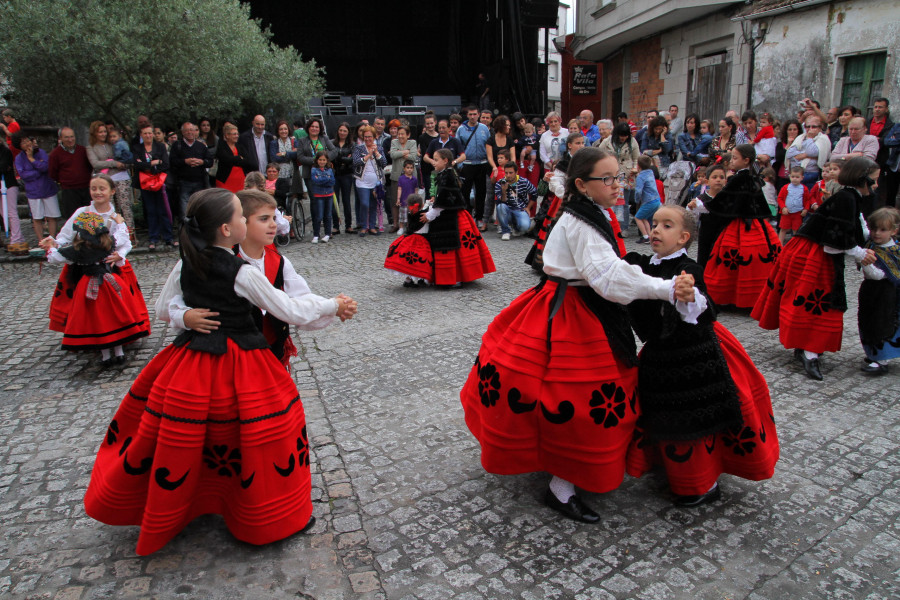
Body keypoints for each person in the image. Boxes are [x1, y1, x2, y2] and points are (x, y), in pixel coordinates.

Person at [83, 187, 357, 556]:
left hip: (194, 364)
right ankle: (262, 513)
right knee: (264, 433)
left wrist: (184, 315)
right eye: (244, 217)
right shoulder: (239, 270)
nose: (250, 221)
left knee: (198, 433)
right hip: (240, 365)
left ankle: (203, 500)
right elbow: (285, 309)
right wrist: (333, 302)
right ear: (227, 230)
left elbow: (165, 307)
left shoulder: (193, 258)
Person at [459, 147, 697, 522]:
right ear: (583, 185)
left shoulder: (587, 213)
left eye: (618, 176)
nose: (617, 184)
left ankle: (562, 467)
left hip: (568, 304)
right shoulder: (581, 222)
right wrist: (664, 288)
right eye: (608, 179)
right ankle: (562, 483)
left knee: (569, 395)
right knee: (580, 399)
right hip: (571, 311)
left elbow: (609, 269)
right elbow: (608, 278)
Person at [623, 205, 780, 506]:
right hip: (658, 355)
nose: (655, 229)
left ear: (683, 238)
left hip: (692, 355)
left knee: (690, 417)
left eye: (666, 226)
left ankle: (701, 483)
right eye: (654, 224)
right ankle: (666, 464)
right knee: (660, 412)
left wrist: (690, 294)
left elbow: (703, 304)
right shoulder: (644, 264)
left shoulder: (688, 269)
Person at [752, 157, 879, 381]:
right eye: (874, 180)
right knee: (816, 300)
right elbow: (834, 240)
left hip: (813, 251)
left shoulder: (850, 197)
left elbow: (852, 229)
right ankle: (809, 351)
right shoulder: (846, 198)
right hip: (814, 255)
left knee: (815, 300)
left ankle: (808, 347)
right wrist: (860, 253)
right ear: (862, 179)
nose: (876, 185)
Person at [41, 174, 149, 346]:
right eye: (93, 188)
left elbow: (125, 241)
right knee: (85, 303)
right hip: (83, 265)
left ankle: (118, 331)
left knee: (114, 302)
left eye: (102, 188)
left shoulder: (115, 217)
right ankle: (90, 333)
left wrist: (120, 255)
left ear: (112, 191)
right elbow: (66, 236)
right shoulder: (82, 213)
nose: (97, 192)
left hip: (110, 264)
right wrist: (54, 243)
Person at [692, 144, 781, 308]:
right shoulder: (753, 178)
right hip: (757, 225)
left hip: (741, 226)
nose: (731, 161)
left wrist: (699, 205)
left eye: (734, 158)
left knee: (732, 259)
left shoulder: (739, 179)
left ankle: (731, 297)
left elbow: (723, 202)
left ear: (746, 160)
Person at [422, 148, 495, 287]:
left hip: (451, 217)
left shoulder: (448, 175)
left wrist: (430, 215)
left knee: (453, 246)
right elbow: (442, 196)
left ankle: (455, 276)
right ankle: (452, 276)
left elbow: (445, 198)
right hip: (448, 214)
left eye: (436, 160)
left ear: (445, 161)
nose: (434, 163)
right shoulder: (445, 174)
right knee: (453, 246)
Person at [857, 206, 900, 374]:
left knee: (882, 323)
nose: (876, 233)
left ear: (893, 231)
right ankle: (873, 353)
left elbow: (879, 275)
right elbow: (864, 230)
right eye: (875, 229)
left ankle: (882, 358)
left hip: (886, 293)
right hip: (870, 292)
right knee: (868, 321)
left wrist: (864, 261)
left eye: (883, 230)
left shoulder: (894, 251)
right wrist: (858, 214)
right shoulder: (871, 244)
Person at [12, 134, 60, 245]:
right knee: (37, 218)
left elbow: (46, 167)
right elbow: (23, 175)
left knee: (52, 216)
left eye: (27, 140)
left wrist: (32, 160)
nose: (27, 143)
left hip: (47, 188)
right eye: (23, 142)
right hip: (33, 191)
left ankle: (52, 239)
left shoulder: (40, 152)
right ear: (19, 146)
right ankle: (41, 241)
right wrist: (38, 171)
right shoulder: (19, 158)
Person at [132, 124, 173, 250]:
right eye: (145, 133)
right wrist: (152, 163)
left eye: (150, 133)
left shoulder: (160, 147)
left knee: (163, 209)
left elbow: (165, 164)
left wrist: (149, 166)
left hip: (158, 182)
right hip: (145, 183)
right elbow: (136, 165)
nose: (148, 136)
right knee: (151, 211)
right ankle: (153, 237)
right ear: (141, 135)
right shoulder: (137, 148)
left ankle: (168, 237)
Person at [384, 194, 432, 288]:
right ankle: (415, 279)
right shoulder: (423, 213)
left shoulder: (411, 213)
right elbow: (429, 209)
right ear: (421, 205)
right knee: (419, 260)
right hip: (421, 240)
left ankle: (411, 279)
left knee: (409, 261)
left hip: (410, 238)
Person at [456, 106, 492, 228]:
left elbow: (488, 146)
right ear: (467, 115)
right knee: (465, 193)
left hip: (482, 164)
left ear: (478, 115)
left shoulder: (484, 128)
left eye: (474, 114)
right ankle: (467, 218)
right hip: (467, 164)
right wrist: (460, 164)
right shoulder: (461, 129)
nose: (472, 116)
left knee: (481, 193)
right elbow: (458, 148)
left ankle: (479, 218)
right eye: (470, 114)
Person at [48, 127, 93, 222]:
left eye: (72, 137)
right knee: (73, 218)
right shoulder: (55, 154)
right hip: (69, 190)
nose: (70, 140)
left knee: (89, 216)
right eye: (67, 137)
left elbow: (90, 166)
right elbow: (53, 173)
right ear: (61, 138)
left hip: (85, 188)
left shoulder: (83, 150)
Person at [170, 122, 212, 216]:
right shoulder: (177, 145)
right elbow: (172, 162)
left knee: (198, 207)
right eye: (186, 130)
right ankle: (186, 228)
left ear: (195, 131)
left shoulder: (201, 146)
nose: (189, 132)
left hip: (199, 182)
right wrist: (185, 161)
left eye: (191, 130)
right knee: (184, 209)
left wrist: (202, 162)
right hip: (183, 182)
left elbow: (210, 161)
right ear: (182, 132)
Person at [353, 125, 386, 237]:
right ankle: (363, 226)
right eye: (365, 137)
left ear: (374, 137)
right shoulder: (359, 148)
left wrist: (376, 153)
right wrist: (368, 156)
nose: (367, 139)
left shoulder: (379, 148)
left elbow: (384, 163)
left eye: (370, 137)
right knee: (364, 203)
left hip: (375, 181)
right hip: (362, 181)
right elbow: (356, 162)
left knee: (373, 204)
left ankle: (372, 226)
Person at [297, 118, 337, 208]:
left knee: (326, 199)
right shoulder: (302, 141)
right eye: (312, 126)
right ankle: (316, 221)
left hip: (325, 173)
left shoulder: (324, 138)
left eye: (317, 127)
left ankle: (326, 220)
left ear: (320, 128)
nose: (314, 128)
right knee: (314, 199)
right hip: (310, 174)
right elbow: (300, 157)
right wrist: (316, 161)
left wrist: (324, 159)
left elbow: (334, 151)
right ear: (308, 128)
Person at [494, 162, 536, 240]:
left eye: (511, 173)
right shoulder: (500, 183)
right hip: (507, 209)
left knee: (524, 226)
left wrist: (528, 207)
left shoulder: (524, 181)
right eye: (506, 173)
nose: (508, 175)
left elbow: (534, 193)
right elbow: (502, 201)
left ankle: (516, 228)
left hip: (520, 209)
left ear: (516, 172)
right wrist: (504, 191)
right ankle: (505, 231)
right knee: (500, 206)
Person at [786, 116, 831, 188]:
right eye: (807, 126)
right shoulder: (800, 137)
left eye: (814, 127)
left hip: (811, 173)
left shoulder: (822, 138)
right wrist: (806, 155)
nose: (810, 129)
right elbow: (789, 153)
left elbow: (812, 152)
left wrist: (810, 138)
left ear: (819, 128)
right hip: (796, 172)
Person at [389, 125, 418, 233]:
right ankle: (396, 224)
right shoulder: (394, 142)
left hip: (411, 177)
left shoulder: (413, 143)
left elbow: (413, 157)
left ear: (408, 135)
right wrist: (405, 152)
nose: (400, 136)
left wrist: (400, 153)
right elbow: (392, 155)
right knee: (396, 201)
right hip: (396, 176)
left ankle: (410, 224)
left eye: (403, 134)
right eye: (399, 134)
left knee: (411, 200)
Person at [0, 140, 26, 253]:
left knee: (11, 212)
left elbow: (3, 167)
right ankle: (18, 237)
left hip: (8, 184)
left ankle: (15, 239)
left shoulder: (5, 151)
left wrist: (4, 168)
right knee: (3, 213)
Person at [869, 98, 895, 207]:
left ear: (886, 109)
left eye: (880, 107)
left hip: (880, 160)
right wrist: (876, 138)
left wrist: (870, 139)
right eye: (875, 107)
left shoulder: (890, 125)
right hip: (866, 159)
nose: (877, 109)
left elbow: (885, 140)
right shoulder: (868, 121)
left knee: (877, 187)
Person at [777, 167, 813, 244]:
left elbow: (807, 200)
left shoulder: (804, 188)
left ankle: (794, 245)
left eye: (797, 177)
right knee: (783, 229)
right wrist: (783, 207)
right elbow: (780, 198)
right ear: (789, 176)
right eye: (792, 177)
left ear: (802, 178)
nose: (794, 179)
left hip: (798, 213)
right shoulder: (785, 187)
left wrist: (806, 209)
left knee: (796, 230)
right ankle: (779, 245)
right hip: (786, 213)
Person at [215, 124, 255, 193]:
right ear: (227, 135)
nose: (237, 136)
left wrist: (235, 159)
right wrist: (239, 158)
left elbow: (247, 161)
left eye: (237, 134)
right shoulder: (221, 147)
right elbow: (226, 160)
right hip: (225, 181)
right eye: (234, 134)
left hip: (240, 181)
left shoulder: (240, 147)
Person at [332, 122, 356, 233]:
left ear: (348, 133)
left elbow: (352, 160)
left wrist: (339, 158)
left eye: (345, 131)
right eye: (341, 130)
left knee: (347, 200)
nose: (342, 133)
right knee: (335, 200)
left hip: (346, 174)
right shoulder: (332, 143)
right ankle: (336, 225)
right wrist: (344, 158)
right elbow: (330, 157)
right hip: (335, 174)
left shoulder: (352, 145)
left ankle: (348, 225)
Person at [633, 155, 661, 244]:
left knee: (637, 217)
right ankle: (649, 235)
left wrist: (636, 200)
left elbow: (638, 191)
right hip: (656, 200)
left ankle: (645, 236)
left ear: (638, 166)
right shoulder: (650, 172)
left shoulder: (641, 177)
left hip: (648, 201)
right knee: (644, 218)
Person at [308, 151, 335, 244]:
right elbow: (315, 181)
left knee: (328, 215)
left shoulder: (330, 170)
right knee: (318, 216)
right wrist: (326, 179)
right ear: (317, 160)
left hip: (329, 194)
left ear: (327, 160)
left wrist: (323, 180)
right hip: (318, 195)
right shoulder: (314, 170)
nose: (322, 161)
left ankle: (327, 233)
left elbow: (332, 181)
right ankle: (316, 234)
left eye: (324, 160)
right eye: (320, 160)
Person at [773, 119, 801, 190]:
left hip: (798, 177)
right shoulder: (780, 145)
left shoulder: (802, 144)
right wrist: (788, 145)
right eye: (790, 129)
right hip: (783, 178)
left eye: (795, 129)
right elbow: (779, 158)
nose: (792, 132)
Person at [417, 113, 440, 197]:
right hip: (427, 168)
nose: (430, 125)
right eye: (427, 124)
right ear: (425, 125)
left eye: (431, 123)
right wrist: (432, 161)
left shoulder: (440, 136)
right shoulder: (422, 137)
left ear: (435, 122)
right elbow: (425, 152)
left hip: (439, 168)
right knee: (429, 192)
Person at [395, 159, 418, 236]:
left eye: (411, 168)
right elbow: (399, 189)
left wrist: (416, 199)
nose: (409, 169)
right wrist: (398, 199)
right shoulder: (401, 178)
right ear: (404, 168)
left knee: (410, 215)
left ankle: (409, 227)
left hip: (411, 201)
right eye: (408, 168)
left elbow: (416, 189)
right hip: (403, 200)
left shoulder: (415, 179)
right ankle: (401, 227)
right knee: (402, 216)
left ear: (413, 169)